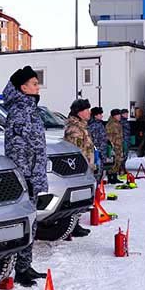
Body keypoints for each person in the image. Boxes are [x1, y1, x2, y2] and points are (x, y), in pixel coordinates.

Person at [1, 66, 48, 287]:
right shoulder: (20, 111)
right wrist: (24, 178)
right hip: (26, 176)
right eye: (34, 83)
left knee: (32, 222)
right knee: (25, 222)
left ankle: (25, 266)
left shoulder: (30, 109)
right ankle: (20, 269)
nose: (38, 86)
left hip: (33, 174)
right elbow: (16, 148)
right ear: (23, 87)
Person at [63, 99, 94, 239]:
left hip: (85, 169)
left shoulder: (81, 127)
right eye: (86, 109)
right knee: (75, 199)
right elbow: (75, 152)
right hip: (78, 171)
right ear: (79, 112)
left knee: (80, 199)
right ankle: (72, 226)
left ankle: (75, 224)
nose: (89, 112)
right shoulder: (75, 129)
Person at [105, 109, 125, 183]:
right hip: (114, 146)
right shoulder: (111, 125)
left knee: (118, 161)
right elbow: (109, 137)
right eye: (118, 115)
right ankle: (111, 177)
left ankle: (115, 176)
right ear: (114, 116)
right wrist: (112, 146)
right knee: (113, 162)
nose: (120, 116)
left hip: (118, 146)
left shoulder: (117, 124)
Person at [88, 107, 108, 180]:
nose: (102, 116)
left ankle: (98, 185)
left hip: (101, 151)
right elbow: (94, 140)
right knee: (97, 170)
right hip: (97, 152)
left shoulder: (100, 124)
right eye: (100, 114)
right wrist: (97, 151)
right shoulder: (93, 125)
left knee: (100, 170)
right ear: (95, 115)